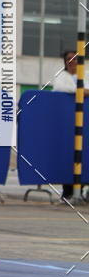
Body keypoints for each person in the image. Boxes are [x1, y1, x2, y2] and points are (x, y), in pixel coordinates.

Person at [52, 50, 89, 200]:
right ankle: (68, 190)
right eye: (69, 59)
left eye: (75, 58)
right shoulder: (61, 77)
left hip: (85, 124)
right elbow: (60, 89)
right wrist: (81, 91)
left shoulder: (86, 75)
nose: (73, 61)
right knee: (68, 155)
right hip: (67, 124)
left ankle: (83, 189)